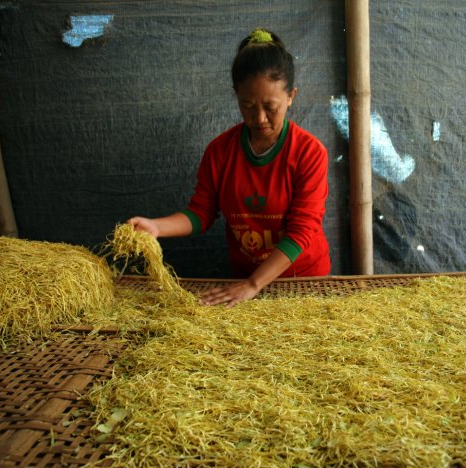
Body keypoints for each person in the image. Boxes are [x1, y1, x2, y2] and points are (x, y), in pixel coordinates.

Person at [128, 28, 331, 307]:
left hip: (303, 280)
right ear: (236, 96)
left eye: (270, 107)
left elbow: (302, 231)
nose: (259, 118)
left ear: (291, 96)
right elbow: (201, 212)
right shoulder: (220, 152)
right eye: (247, 106)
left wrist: (253, 284)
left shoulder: (309, 152)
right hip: (244, 281)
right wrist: (156, 227)